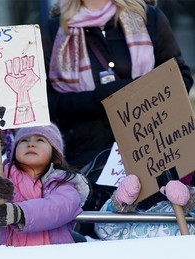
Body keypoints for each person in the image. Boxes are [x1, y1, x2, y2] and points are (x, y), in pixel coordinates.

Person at [40, 0, 194, 233]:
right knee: (102, 237)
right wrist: (100, 99)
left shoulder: (148, 17)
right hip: (89, 161)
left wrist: (134, 93)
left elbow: (180, 77)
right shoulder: (54, 29)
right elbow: (43, 102)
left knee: (164, 233)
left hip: (153, 147)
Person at [0, 123, 90, 246]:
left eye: (40, 140)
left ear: (56, 155)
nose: (30, 144)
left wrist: (19, 213)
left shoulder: (63, 183)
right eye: (24, 140)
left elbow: (59, 208)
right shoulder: (4, 182)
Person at [94, 174, 195, 239]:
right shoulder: (132, 216)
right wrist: (118, 203)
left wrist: (190, 199)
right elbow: (105, 232)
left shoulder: (187, 210)